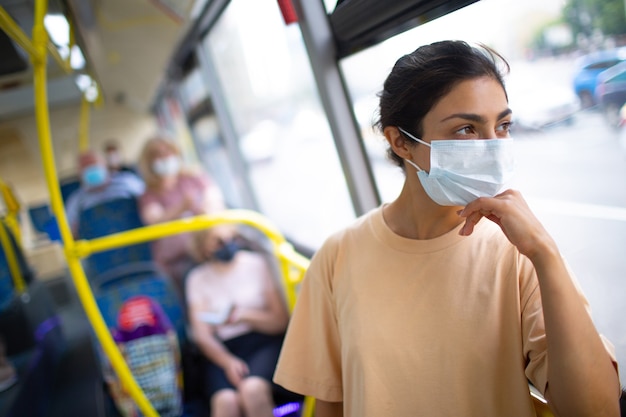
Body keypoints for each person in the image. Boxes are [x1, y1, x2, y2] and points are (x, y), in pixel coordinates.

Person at [273, 40, 621, 417]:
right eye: (466, 129)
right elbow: (332, 404)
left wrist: (545, 253)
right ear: (400, 142)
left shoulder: (520, 254)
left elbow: (597, 410)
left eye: (503, 125)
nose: (493, 146)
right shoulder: (337, 256)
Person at [185, 225, 290, 417]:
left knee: (252, 390)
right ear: (203, 247)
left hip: (262, 341)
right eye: (219, 241)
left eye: (231, 238)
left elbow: (280, 321)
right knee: (226, 402)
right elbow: (202, 336)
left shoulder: (257, 264)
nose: (227, 245)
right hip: (222, 349)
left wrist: (243, 316)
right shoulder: (197, 279)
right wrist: (226, 361)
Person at [137, 136, 225, 292]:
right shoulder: (148, 194)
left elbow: (214, 198)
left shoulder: (194, 176)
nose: (165, 159)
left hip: (207, 247)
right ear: (149, 162)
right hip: (177, 259)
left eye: (168, 154)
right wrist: (181, 208)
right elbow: (154, 219)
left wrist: (206, 209)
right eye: (159, 156)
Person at [65, 150, 145, 237]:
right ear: (79, 173)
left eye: (93, 164)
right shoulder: (76, 201)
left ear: (104, 164)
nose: (90, 168)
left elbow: (147, 202)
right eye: (85, 167)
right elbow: (70, 232)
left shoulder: (128, 182)